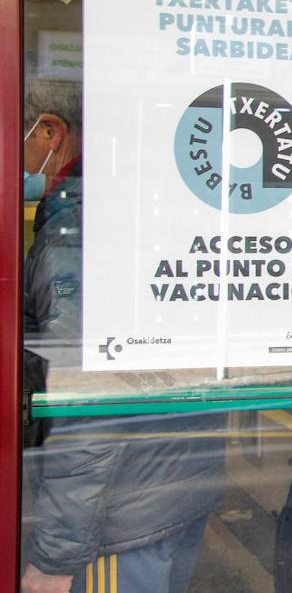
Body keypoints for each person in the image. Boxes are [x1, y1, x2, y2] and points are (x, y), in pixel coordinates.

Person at [20, 85, 225, 593]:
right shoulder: (133, 206)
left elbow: (92, 404)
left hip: (118, 518)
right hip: (166, 487)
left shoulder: (79, 230)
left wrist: (55, 555)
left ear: (50, 132)